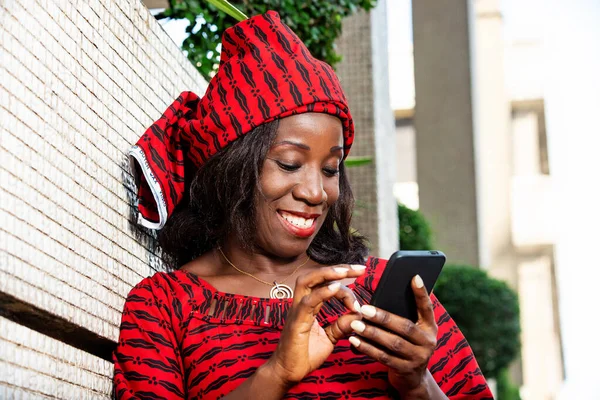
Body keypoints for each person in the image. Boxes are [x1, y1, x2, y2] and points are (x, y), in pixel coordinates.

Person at [113, 11, 493, 400]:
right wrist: (275, 374)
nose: (316, 193)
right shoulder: (166, 306)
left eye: (331, 169)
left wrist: (417, 384)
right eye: (289, 164)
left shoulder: (382, 296)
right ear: (230, 169)